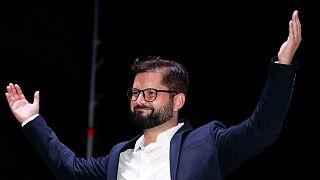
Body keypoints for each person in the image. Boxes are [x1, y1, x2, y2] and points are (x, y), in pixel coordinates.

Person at [5, 10, 301, 180]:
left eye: (149, 92)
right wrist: (32, 120)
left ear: (178, 100)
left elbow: (263, 128)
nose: (138, 99)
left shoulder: (209, 142)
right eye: (135, 93)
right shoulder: (118, 157)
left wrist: (282, 66)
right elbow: (68, 169)